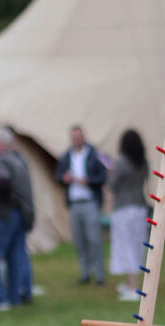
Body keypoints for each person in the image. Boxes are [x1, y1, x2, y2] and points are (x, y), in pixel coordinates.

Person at [0, 127, 34, 310]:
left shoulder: (1, 162)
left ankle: (0, 296)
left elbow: (3, 182)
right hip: (22, 213)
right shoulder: (19, 160)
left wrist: (0, 199)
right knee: (16, 256)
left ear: (0, 144)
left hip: (7, 213)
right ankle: (15, 296)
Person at [55, 125, 107, 285]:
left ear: (83, 137)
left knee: (94, 239)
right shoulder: (66, 156)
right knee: (79, 240)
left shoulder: (94, 154)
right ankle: (85, 272)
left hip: (90, 202)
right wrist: (64, 179)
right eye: (74, 137)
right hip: (74, 203)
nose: (77, 140)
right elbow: (57, 175)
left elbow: (103, 176)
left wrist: (89, 181)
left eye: (79, 137)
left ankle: (99, 274)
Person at [108, 129, 149, 302]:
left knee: (126, 247)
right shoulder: (143, 162)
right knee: (136, 245)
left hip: (125, 208)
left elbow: (112, 185)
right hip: (140, 207)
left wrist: (109, 172)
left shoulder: (122, 162)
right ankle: (129, 283)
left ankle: (133, 288)